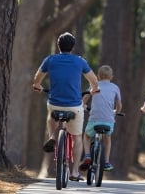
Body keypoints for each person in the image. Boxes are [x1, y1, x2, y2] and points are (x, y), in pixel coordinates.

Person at [32, 32, 99, 181]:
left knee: (51, 117)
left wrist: (38, 86)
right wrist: (93, 89)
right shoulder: (80, 61)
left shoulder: (50, 60)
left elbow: (37, 79)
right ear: (73, 47)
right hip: (74, 106)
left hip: (55, 103)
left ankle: (52, 137)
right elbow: (94, 81)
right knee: (77, 137)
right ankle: (74, 172)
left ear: (58, 46)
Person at [79, 65, 122, 172]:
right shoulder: (115, 87)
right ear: (111, 77)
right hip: (108, 121)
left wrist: (82, 106)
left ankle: (87, 156)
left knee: (87, 136)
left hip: (94, 119)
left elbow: (85, 98)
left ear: (98, 76)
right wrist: (116, 112)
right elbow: (119, 105)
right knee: (107, 138)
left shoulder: (94, 85)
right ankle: (106, 162)